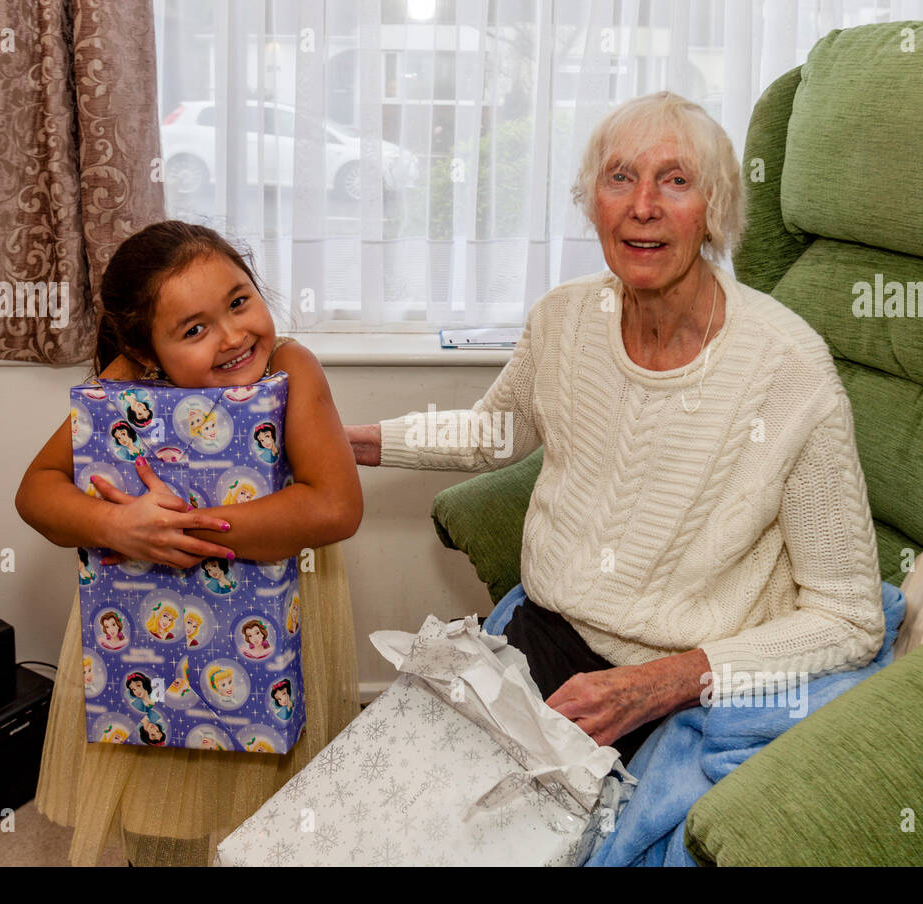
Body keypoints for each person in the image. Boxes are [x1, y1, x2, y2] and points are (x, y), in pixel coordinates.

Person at [345, 91, 885, 767]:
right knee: (386, 789)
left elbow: (851, 620)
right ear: (592, 200)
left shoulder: (790, 370)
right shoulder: (562, 319)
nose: (643, 207)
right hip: (547, 639)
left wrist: (656, 685)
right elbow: (493, 434)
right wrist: (351, 444)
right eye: (620, 177)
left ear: (715, 210)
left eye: (676, 180)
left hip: (688, 690)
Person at [17, 220, 364, 866]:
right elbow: (34, 490)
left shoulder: (291, 368)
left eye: (239, 301)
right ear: (149, 352)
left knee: (272, 802)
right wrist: (115, 525)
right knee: (160, 800)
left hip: (273, 616)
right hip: (148, 630)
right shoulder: (128, 383)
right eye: (194, 329)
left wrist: (186, 530)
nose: (233, 335)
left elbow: (335, 506)